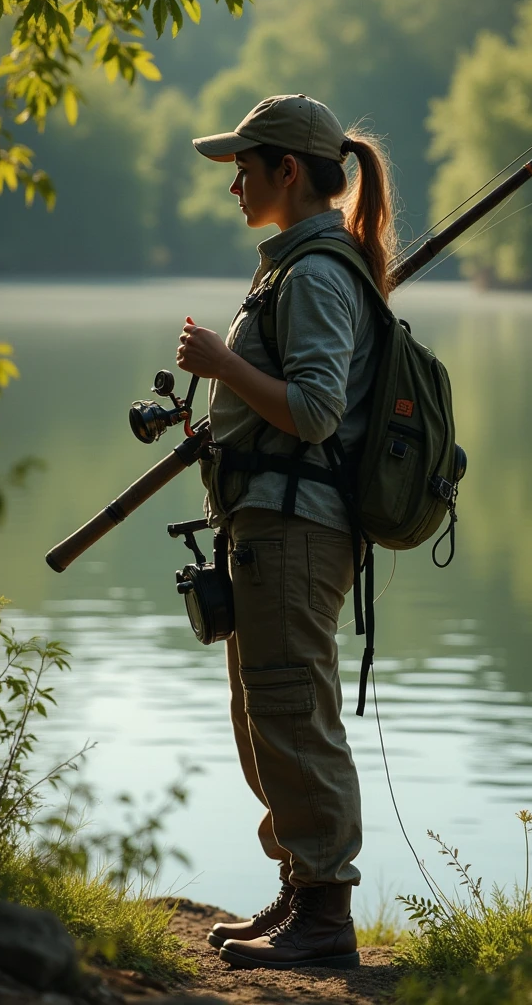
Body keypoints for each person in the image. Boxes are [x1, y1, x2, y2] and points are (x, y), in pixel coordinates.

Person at [175, 93, 397, 971]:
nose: (235, 183)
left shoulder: (314, 274)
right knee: (265, 714)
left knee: (295, 714)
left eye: (245, 167)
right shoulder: (295, 268)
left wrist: (223, 365)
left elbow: (312, 410)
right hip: (267, 528)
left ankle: (326, 919)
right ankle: (301, 893)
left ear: (288, 171)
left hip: (299, 531)